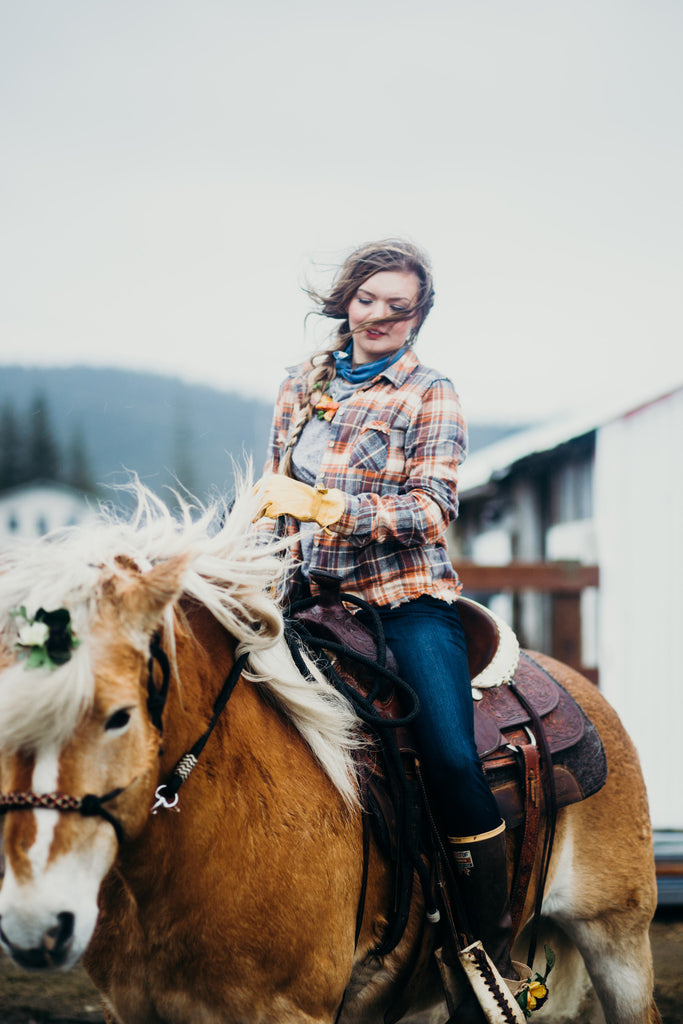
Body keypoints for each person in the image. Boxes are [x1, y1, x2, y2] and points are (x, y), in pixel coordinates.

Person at [254, 238, 517, 982]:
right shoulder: (299, 383)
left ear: (417, 318)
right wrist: (258, 542)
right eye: (366, 300)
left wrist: (332, 507)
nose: (377, 317)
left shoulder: (430, 392)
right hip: (306, 598)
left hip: (405, 602)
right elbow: (278, 495)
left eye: (396, 309)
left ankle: (486, 944)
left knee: (449, 756)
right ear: (345, 299)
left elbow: (432, 510)